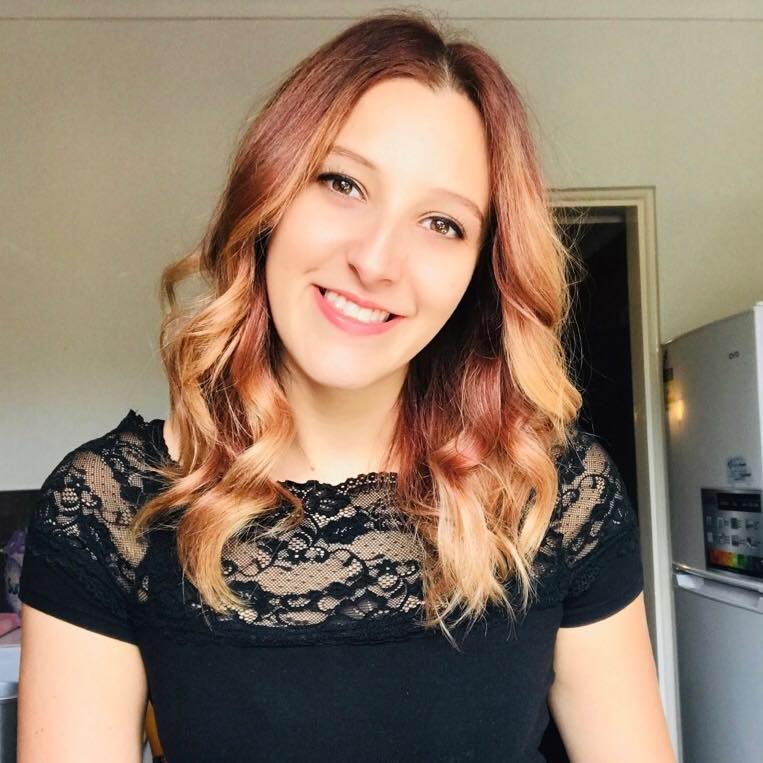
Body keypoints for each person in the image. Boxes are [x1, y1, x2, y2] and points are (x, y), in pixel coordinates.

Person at [17, 10, 675, 762]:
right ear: (270, 195)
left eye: (442, 223)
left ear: (480, 274)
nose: (376, 261)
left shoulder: (556, 496)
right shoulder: (107, 510)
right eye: (343, 183)